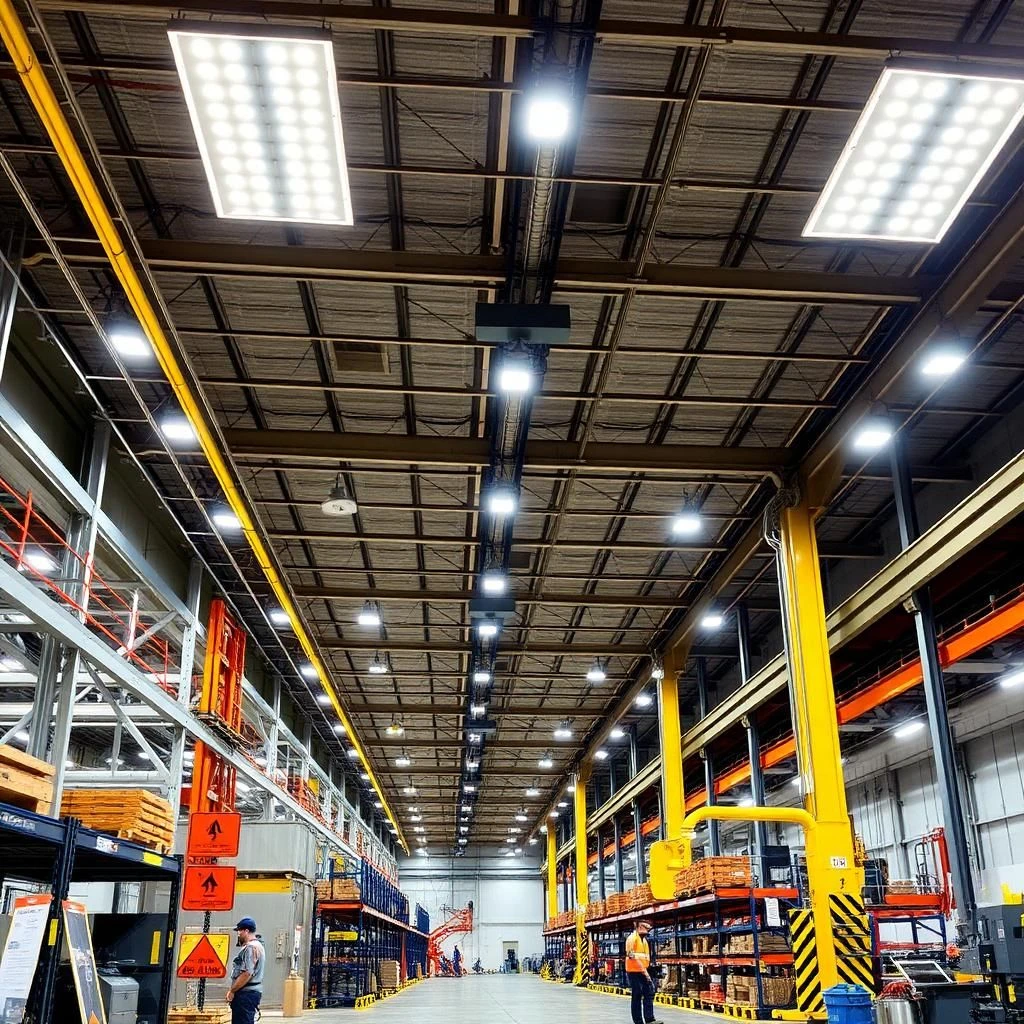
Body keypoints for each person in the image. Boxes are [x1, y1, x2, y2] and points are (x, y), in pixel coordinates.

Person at [226, 917, 265, 1024]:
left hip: (246, 994)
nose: (238, 934)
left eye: (239, 931)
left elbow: (247, 973)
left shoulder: (251, 948)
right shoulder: (258, 946)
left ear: (246, 931)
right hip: (249, 993)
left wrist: (232, 990)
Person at [625, 918, 661, 1024]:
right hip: (634, 971)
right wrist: (644, 971)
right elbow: (631, 956)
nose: (648, 930)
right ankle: (638, 1021)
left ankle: (649, 1019)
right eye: (647, 928)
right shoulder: (631, 939)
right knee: (637, 995)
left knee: (648, 993)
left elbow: (644, 957)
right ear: (640, 927)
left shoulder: (644, 940)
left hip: (643, 970)